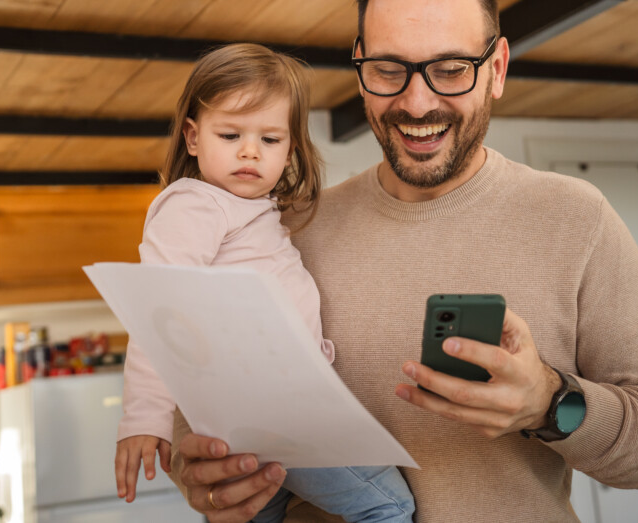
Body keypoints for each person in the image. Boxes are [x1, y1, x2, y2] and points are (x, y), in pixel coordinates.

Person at [168, 0, 638, 522]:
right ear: (360, 65)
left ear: (495, 69)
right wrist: (203, 476)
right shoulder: (281, 232)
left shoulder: (575, 217)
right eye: (388, 70)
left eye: (450, 70)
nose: (417, 102)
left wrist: (548, 403)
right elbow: (196, 409)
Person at [114, 43, 415, 523]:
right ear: (193, 138)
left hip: (267, 409)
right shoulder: (195, 205)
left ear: (290, 149)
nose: (250, 150)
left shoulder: (254, 211)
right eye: (230, 133)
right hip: (275, 409)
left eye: (270, 140)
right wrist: (144, 417)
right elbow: (159, 310)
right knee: (390, 507)